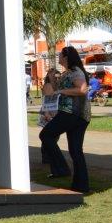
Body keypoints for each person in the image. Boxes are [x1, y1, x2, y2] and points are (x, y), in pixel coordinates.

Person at [40, 46, 91, 193]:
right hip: (77, 115)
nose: (59, 57)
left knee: (46, 135)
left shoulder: (76, 72)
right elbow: (57, 90)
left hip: (72, 113)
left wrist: (61, 90)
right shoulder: (67, 73)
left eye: (61, 55)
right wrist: (52, 80)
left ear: (66, 57)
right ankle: (81, 186)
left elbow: (82, 89)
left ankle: (61, 169)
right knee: (75, 151)